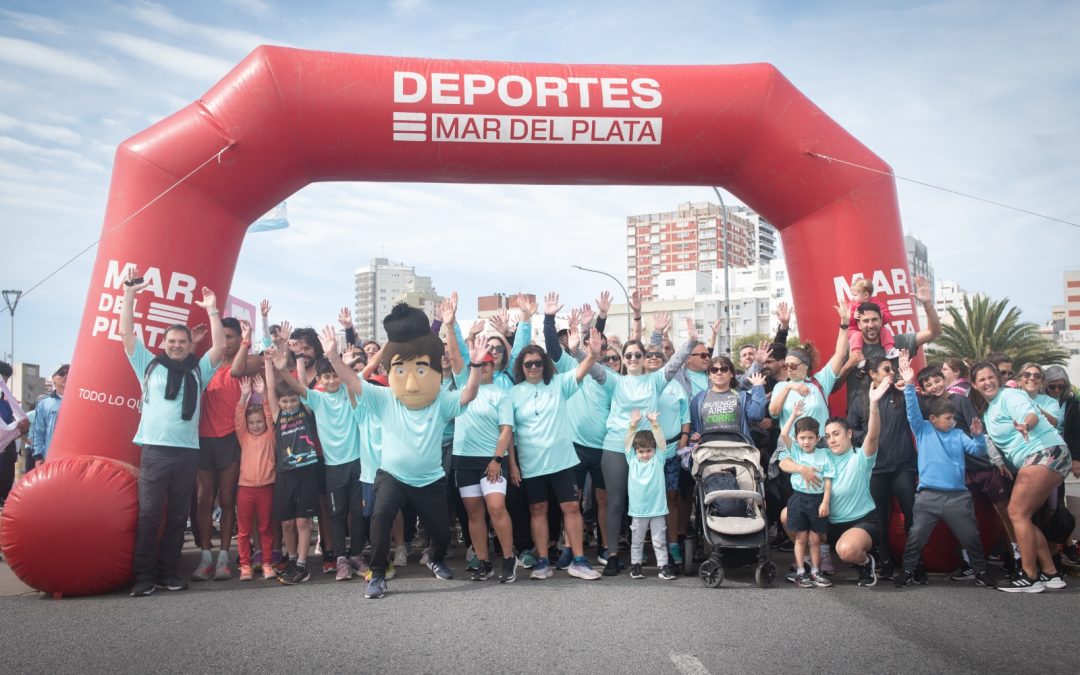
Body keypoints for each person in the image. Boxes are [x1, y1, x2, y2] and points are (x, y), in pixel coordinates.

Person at [328, 304, 484, 599]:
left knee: (439, 532)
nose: (412, 382)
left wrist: (474, 367)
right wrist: (333, 357)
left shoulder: (440, 400)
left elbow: (469, 394)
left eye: (421, 369)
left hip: (430, 479)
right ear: (390, 371)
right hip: (393, 476)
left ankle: (435, 558)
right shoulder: (386, 398)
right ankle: (377, 575)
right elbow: (352, 381)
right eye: (401, 370)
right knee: (380, 516)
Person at [122, 268, 224, 597]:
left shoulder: (198, 370)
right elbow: (126, 334)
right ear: (163, 344)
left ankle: (169, 573)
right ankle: (144, 577)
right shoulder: (148, 365)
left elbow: (220, 349)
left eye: (182, 342)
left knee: (179, 517)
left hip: (187, 452)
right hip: (154, 451)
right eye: (172, 341)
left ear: (188, 344)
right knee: (150, 515)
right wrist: (129, 294)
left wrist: (212, 309)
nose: (177, 346)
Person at [509, 299, 604, 581]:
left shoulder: (558, 384)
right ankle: (541, 562)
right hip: (531, 462)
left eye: (538, 363)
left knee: (571, 507)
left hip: (562, 460)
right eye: (528, 364)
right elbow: (510, 432)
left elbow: (580, 371)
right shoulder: (514, 393)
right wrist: (512, 465)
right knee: (537, 509)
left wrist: (593, 354)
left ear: (545, 364)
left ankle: (578, 560)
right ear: (521, 367)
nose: (534, 367)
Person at [599, 313, 697, 576]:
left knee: (652, 500)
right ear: (623, 359)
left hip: (647, 449)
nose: (632, 359)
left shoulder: (655, 380)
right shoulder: (615, 380)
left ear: (643, 359)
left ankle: (652, 553)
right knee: (616, 501)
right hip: (617, 446)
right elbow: (594, 369)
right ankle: (612, 555)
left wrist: (690, 341)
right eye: (628, 355)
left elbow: (675, 364)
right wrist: (582, 349)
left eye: (637, 355)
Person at [969, 362, 1077, 592]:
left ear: (998, 378)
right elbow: (992, 448)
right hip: (1039, 458)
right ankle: (1050, 572)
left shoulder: (1011, 395)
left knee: (1016, 513)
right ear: (974, 385)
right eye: (982, 380)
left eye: (991, 377)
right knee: (1023, 517)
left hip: (1045, 452)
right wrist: (981, 439)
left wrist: (1026, 425)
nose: (988, 382)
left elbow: (1030, 415)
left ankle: (1029, 576)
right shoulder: (988, 413)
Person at [894, 357, 995, 588]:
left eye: (953, 418)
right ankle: (908, 570)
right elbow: (911, 409)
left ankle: (980, 571)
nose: (952, 421)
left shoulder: (959, 434)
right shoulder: (922, 429)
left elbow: (978, 450)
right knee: (916, 537)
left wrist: (978, 436)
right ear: (933, 419)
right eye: (948, 418)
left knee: (971, 537)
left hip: (957, 497)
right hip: (927, 496)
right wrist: (909, 383)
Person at [274, 331, 367, 583]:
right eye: (326, 376)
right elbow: (296, 387)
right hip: (333, 466)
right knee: (337, 515)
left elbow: (356, 381)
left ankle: (357, 555)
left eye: (335, 375)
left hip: (358, 463)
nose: (332, 380)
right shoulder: (317, 399)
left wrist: (343, 363)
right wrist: (284, 369)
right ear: (321, 380)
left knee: (357, 514)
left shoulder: (351, 395)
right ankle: (340, 560)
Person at [915, 363, 1017, 580]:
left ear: (944, 378)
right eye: (928, 384)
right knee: (965, 518)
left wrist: (997, 459)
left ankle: (1016, 558)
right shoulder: (930, 408)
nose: (934, 386)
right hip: (962, 472)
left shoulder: (960, 400)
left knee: (1005, 513)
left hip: (984, 466)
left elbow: (979, 428)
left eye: (937, 380)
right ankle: (970, 564)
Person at [442, 294, 518, 583]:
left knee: (496, 509)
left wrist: (499, 459)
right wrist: (450, 325)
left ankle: (509, 559)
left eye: (488, 363)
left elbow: (506, 430)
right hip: (464, 459)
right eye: (479, 363)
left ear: (494, 366)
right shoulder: (465, 382)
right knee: (474, 514)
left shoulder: (501, 393)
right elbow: (457, 352)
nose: (483, 367)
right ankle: (484, 561)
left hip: (491, 460)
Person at [811, 378, 891, 588]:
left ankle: (866, 562)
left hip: (861, 522)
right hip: (829, 524)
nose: (832, 440)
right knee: (787, 516)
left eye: (836, 434)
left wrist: (873, 405)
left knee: (847, 551)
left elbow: (872, 437)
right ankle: (821, 556)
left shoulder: (860, 458)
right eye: (828, 436)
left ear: (849, 434)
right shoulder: (822, 456)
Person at [846, 355, 917, 580]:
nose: (891, 373)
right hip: (875, 468)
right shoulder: (860, 400)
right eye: (886, 370)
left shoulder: (901, 394)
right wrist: (869, 437)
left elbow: (918, 414)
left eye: (892, 369)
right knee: (879, 518)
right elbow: (851, 430)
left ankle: (914, 563)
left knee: (912, 514)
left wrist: (909, 386)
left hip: (903, 465)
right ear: (872, 374)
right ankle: (884, 561)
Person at [191, 317, 247, 582]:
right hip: (202, 440)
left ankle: (224, 557)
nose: (225, 342)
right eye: (221, 337)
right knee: (203, 500)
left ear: (239, 339)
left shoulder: (242, 367)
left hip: (231, 440)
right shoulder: (204, 367)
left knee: (227, 500)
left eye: (230, 337)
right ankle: (205, 557)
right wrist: (192, 346)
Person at [263, 346, 320, 585]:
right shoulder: (278, 415)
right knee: (286, 523)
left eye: (292, 400)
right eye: (284, 401)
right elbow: (269, 388)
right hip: (285, 473)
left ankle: (302, 565)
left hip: (307, 472)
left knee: (302, 522)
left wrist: (297, 358)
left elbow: (303, 385)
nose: (288, 404)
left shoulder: (306, 409)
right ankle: (292, 558)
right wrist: (268, 362)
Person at [841, 275, 940, 410]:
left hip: (896, 415)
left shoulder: (897, 343)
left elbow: (934, 332)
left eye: (874, 320)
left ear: (881, 321)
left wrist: (927, 304)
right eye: (865, 321)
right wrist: (848, 365)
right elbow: (833, 386)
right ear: (858, 324)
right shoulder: (850, 349)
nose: (870, 325)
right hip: (862, 421)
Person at [776, 401, 833, 588]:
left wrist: (825, 501)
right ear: (797, 438)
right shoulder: (796, 452)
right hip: (799, 498)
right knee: (801, 537)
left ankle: (815, 571)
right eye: (802, 438)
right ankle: (801, 571)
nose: (806, 442)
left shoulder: (824, 454)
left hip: (817, 500)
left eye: (810, 438)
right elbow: (784, 434)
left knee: (815, 538)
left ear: (818, 438)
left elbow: (827, 480)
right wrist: (793, 414)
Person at [769, 305, 851, 433]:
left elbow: (840, 354)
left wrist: (845, 324)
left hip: (819, 448)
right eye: (786, 365)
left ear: (805, 366)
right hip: (792, 449)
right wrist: (788, 387)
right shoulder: (780, 387)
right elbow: (773, 413)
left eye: (793, 366)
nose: (789, 369)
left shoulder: (820, 381)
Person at [623, 409, 677, 580]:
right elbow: (627, 444)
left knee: (659, 541)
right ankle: (636, 566)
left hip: (658, 509)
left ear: (654, 450)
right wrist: (633, 425)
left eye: (648, 450)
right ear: (635, 451)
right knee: (637, 541)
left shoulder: (658, 459)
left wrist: (655, 424)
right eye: (641, 451)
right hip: (638, 511)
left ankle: (663, 567)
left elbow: (661, 443)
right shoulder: (631, 459)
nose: (645, 454)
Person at [233, 375, 277, 581]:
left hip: (266, 487)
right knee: (243, 530)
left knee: (266, 527)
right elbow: (239, 417)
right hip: (246, 489)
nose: (257, 425)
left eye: (259, 421)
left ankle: (267, 563)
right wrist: (244, 397)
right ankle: (245, 565)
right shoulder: (244, 437)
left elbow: (270, 416)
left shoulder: (270, 436)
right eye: (253, 422)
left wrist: (264, 395)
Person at [689, 356, 766, 444]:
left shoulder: (742, 396)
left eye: (724, 369)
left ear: (732, 374)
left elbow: (756, 415)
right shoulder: (698, 399)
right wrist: (692, 434)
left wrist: (758, 387)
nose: (719, 373)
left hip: (737, 452)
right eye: (714, 370)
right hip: (707, 452)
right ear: (709, 375)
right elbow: (691, 426)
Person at [0, 363, 29, 504]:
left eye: (4, 382)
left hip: (6, 458)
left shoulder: (7, 406)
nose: (2, 385)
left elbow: (17, 431)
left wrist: (23, 428)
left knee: (4, 494)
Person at [846, 277, 896, 356]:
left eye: (855, 295)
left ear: (866, 295)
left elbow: (888, 316)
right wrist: (853, 317)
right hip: (855, 331)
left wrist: (882, 315)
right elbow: (846, 321)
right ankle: (857, 355)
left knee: (885, 331)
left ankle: (889, 350)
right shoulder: (852, 305)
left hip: (874, 332)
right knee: (856, 336)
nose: (853, 298)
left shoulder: (876, 303)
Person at [29, 364, 67, 464]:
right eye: (62, 373)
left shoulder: (79, 401)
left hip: (72, 458)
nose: (66, 376)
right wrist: (38, 457)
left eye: (69, 373)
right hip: (50, 458)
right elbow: (38, 432)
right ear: (53, 379)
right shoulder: (44, 403)